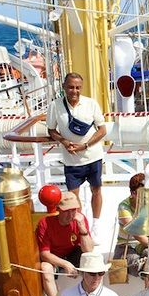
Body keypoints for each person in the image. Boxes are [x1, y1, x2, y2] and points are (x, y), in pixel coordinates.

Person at [46, 73, 108, 237]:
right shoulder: (55, 106)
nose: (74, 91)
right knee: (73, 195)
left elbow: (102, 130)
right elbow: (51, 130)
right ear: (64, 87)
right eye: (71, 87)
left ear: (81, 88)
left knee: (96, 190)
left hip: (93, 157)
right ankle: (82, 224)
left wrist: (85, 145)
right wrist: (64, 141)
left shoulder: (91, 104)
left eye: (78, 87)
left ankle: (96, 224)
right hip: (71, 161)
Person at [37, 191, 94, 296]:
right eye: (67, 211)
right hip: (54, 257)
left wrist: (83, 229)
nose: (71, 215)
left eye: (74, 210)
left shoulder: (80, 219)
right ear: (58, 209)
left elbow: (88, 250)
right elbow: (44, 254)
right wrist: (65, 264)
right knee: (45, 268)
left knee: (93, 261)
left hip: (73, 253)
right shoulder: (45, 223)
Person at [115, 173, 149, 275]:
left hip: (143, 245)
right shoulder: (123, 206)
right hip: (126, 246)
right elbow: (135, 232)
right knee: (137, 264)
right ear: (133, 193)